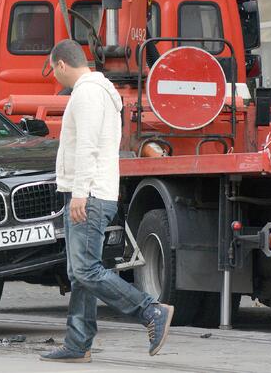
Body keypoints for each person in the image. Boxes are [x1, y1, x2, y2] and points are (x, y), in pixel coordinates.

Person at [40, 39, 174, 363]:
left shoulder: (86, 93)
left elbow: (86, 146)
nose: (56, 79)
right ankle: (77, 343)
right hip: (96, 192)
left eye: (54, 72)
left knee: (86, 270)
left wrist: (79, 193)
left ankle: (150, 311)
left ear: (61, 64)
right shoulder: (101, 91)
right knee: (79, 272)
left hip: (90, 195)